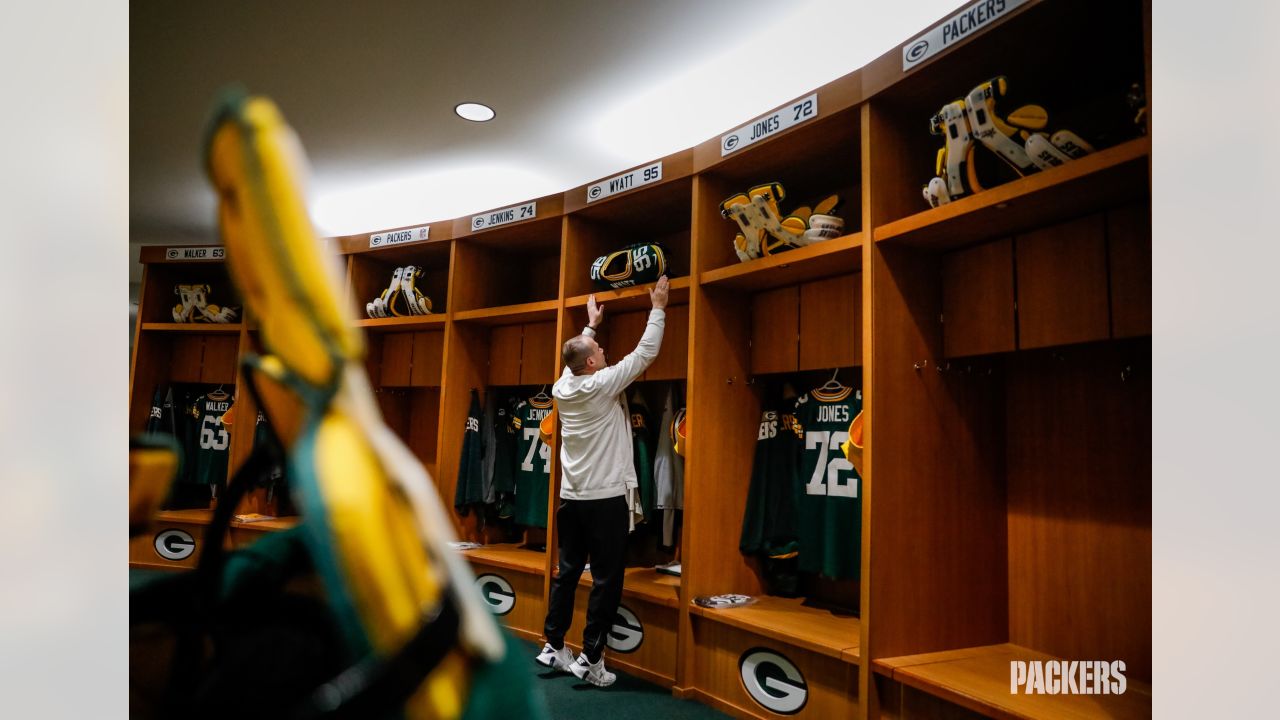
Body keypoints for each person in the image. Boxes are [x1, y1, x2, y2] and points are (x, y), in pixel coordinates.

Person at [535, 275, 670, 687]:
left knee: (568, 571)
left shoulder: (562, 386)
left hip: (570, 499)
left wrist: (590, 327)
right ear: (592, 364)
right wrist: (658, 308)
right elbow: (644, 354)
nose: (605, 351)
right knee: (608, 579)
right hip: (605, 499)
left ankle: (554, 644)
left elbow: (572, 356)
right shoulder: (600, 384)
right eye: (599, 349)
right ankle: (592, 658)